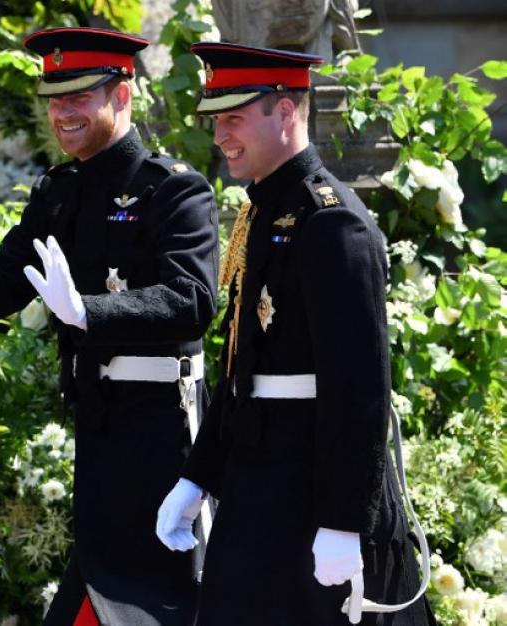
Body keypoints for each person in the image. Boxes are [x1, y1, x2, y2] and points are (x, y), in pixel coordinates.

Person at [0, 27, 218, 626]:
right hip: (99, 426)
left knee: (158, 601)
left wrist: (90, 312)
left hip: (162, 434)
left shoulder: (173, 188)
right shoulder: (60, 191)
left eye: (80, 97)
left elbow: (193, 299)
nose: (64, 113)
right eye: (55, 99)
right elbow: (6, 277)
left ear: (123, 96)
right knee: (105, 594)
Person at [155, 43, 436, 625]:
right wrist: (197, 477)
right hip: (258, 486)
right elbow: (240, 369)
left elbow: (359, 390)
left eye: (234, 118)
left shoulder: (331, 222)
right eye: (217, 120)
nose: (221, 136)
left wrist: (341, 522)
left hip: (313, 492)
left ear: (284, 113)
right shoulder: (264, 214)